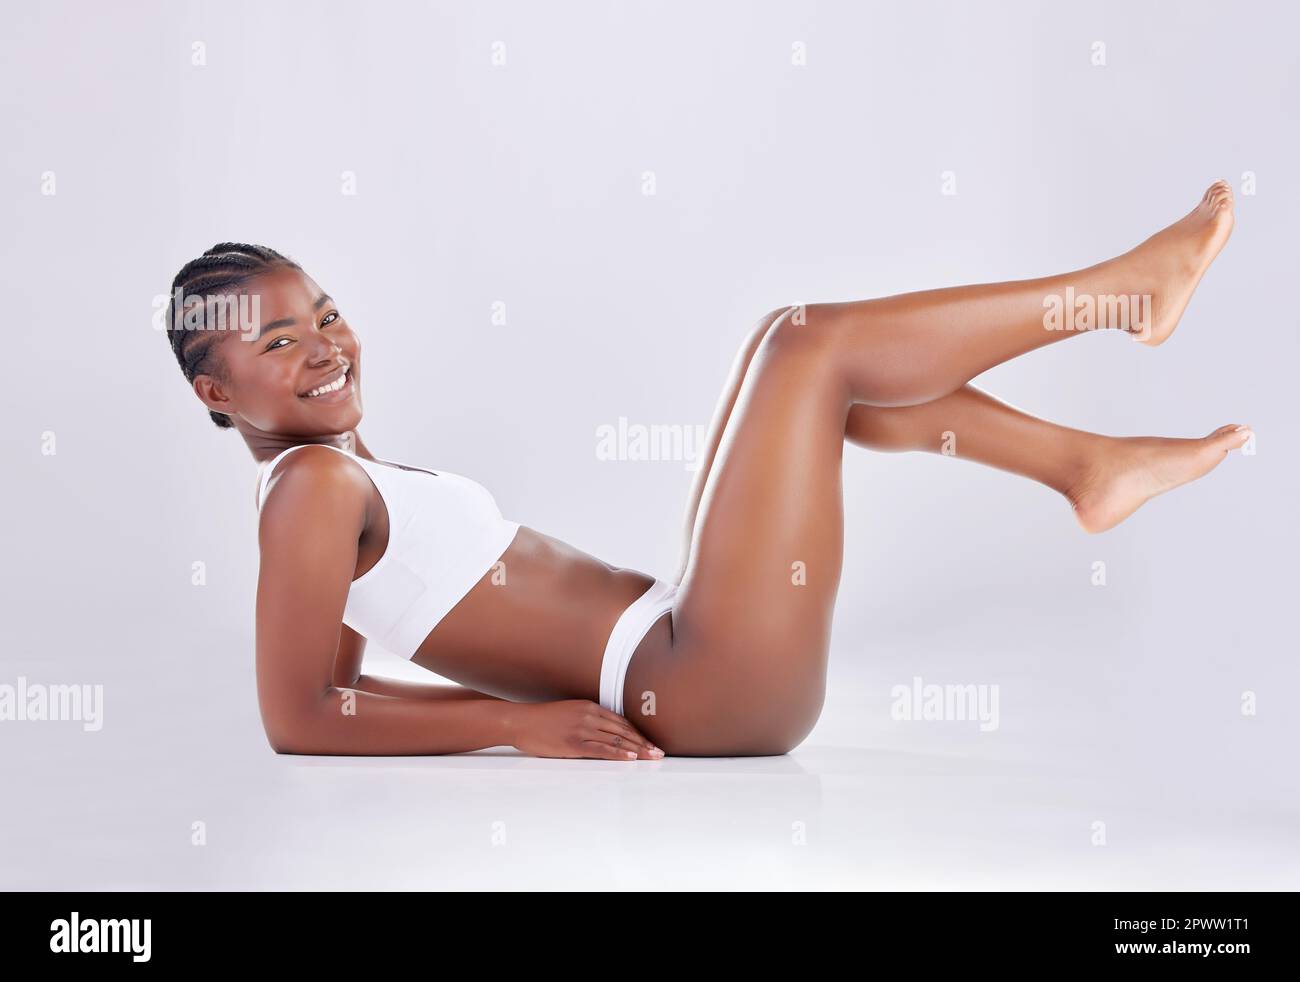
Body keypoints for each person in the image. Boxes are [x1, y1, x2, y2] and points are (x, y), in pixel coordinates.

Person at [163, 180, 1246, 759]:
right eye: (274, 343)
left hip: (695, 653)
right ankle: (1118, 296)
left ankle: (1083, 468)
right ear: (216, 393)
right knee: (801, 344)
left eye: (328, 316)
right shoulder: (309, 489)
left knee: (837, 388)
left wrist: (498, 711)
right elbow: (300, 714)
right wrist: (511, 722)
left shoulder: (335, 482)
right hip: (700, 680)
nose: (324, 348)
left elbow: (341, 687)